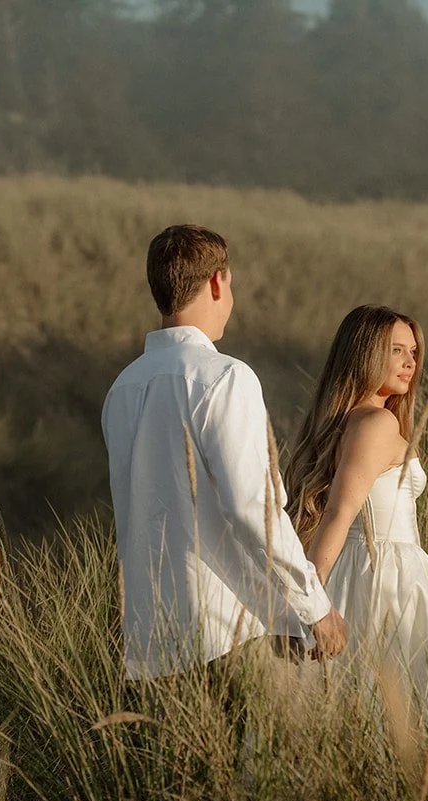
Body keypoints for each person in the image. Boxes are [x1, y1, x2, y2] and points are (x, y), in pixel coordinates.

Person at [102, 224, 347, 683]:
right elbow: (254, 509)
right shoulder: (224, 377)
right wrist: (316, 606)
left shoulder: (122, 389)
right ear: (218, 282)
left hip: (153, 640)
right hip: (235, 630)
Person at [283, 305, 428, 741]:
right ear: (365, 354)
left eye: (413, 351)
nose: (410, 362)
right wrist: (308, 600)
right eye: (396, 351)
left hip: (366, 570)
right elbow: (338, 513)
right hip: (386, 578)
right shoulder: (376, 423)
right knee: (399, 710)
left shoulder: (347, 422)